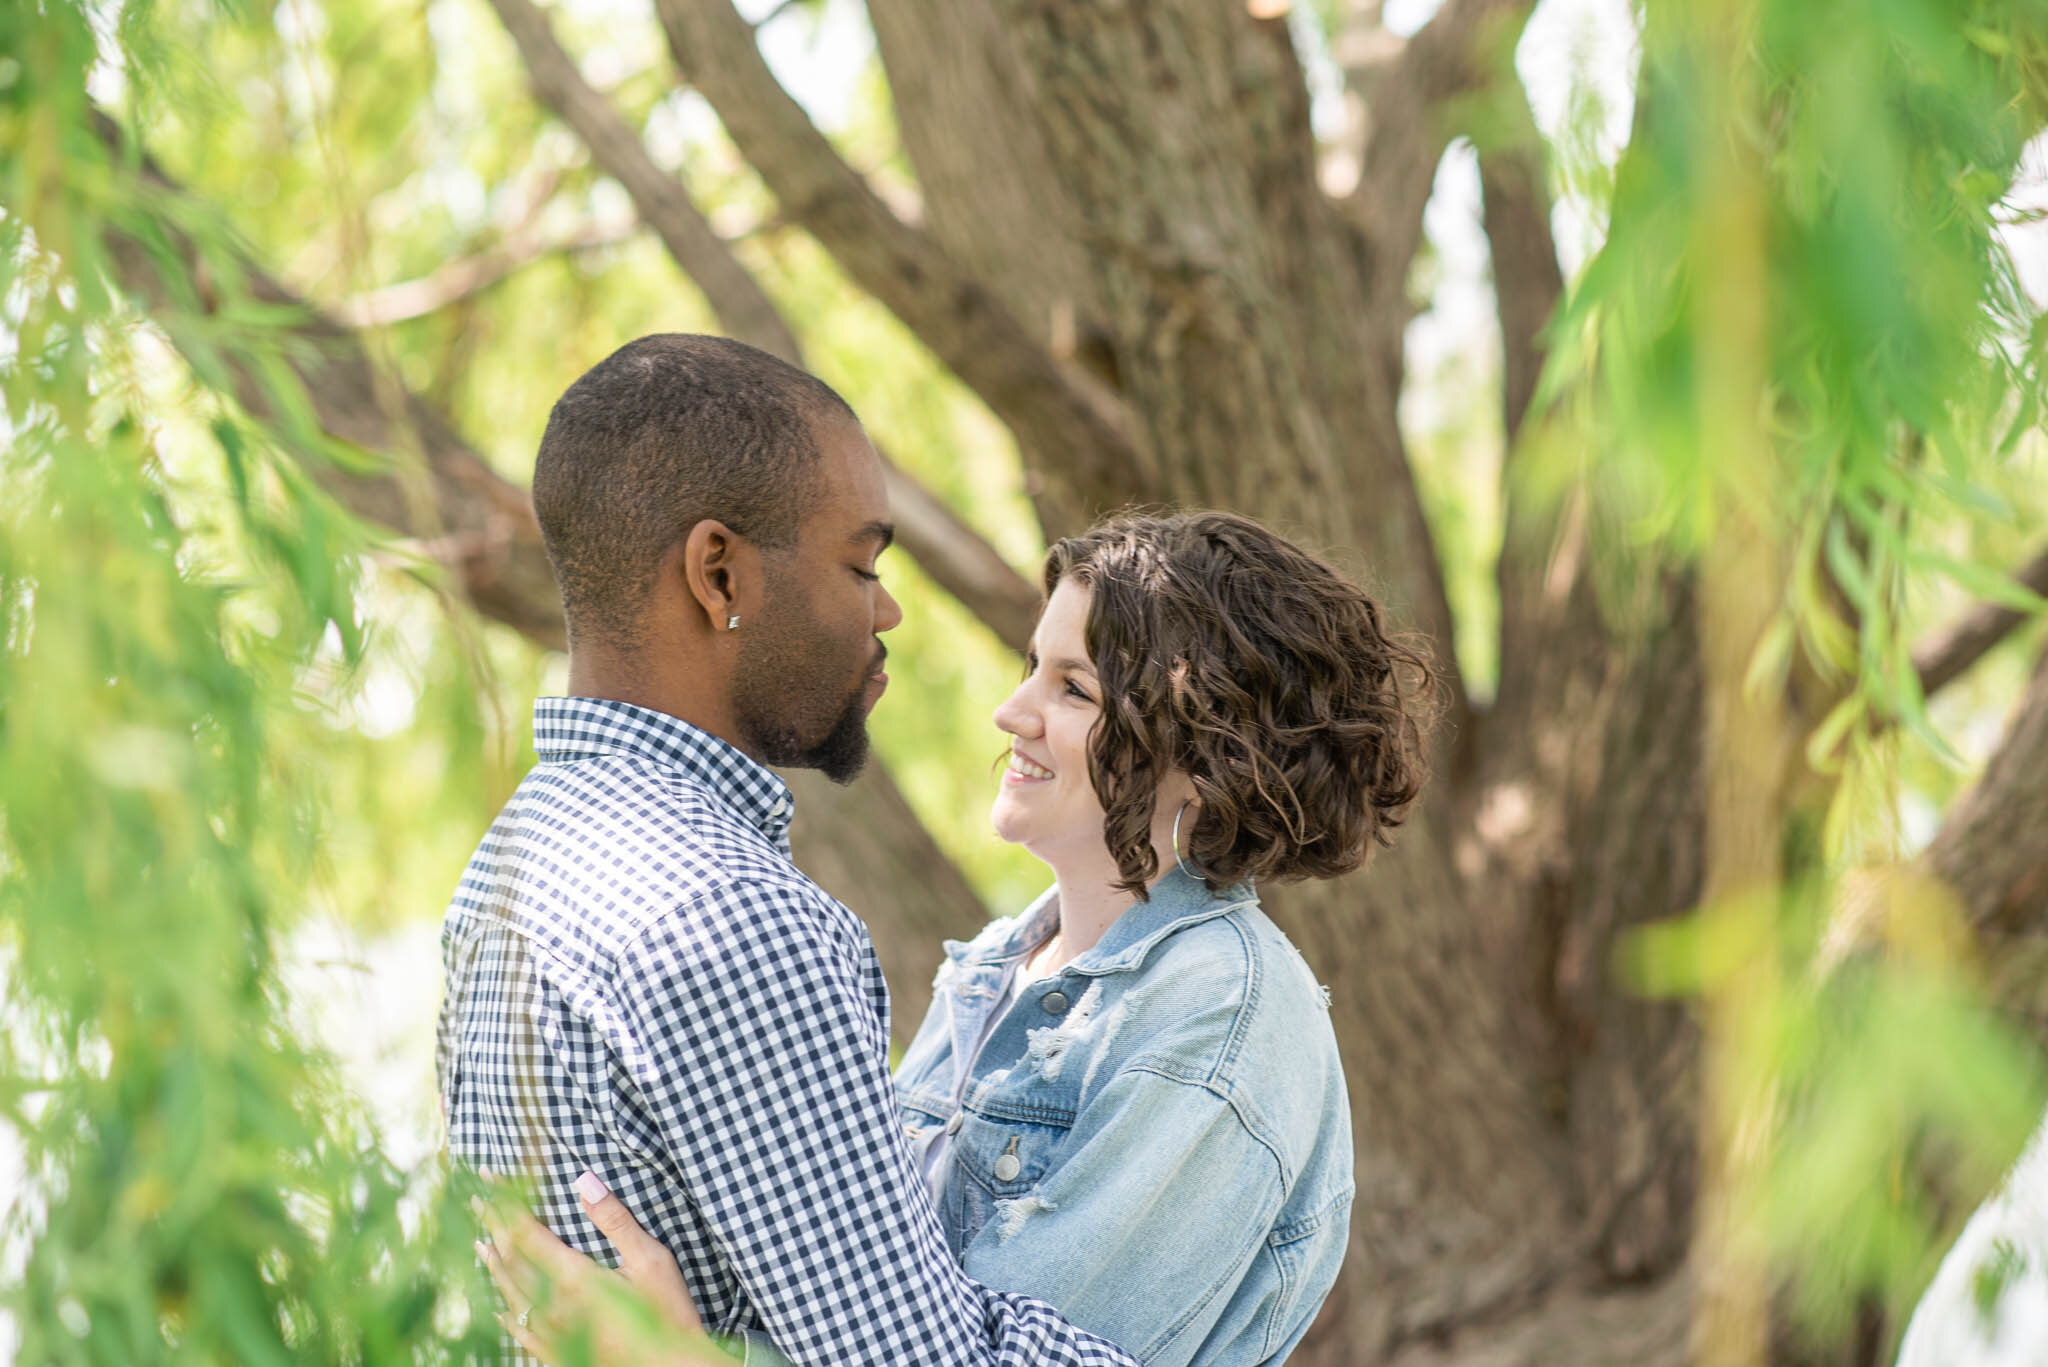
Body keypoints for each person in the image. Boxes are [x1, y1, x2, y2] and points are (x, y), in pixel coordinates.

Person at [487, 509, 1437, 1367]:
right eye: (1033, 666)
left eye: (1074, 689)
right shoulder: (990, 968)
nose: (1012, 710)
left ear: (1204, 753)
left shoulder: (1222, 1013)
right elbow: (870, 1327)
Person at [437, 333, 1143, 1367]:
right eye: (861, 563)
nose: (888, 607)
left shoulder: (507, 868)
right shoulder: (729, 917)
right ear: (718, 570)